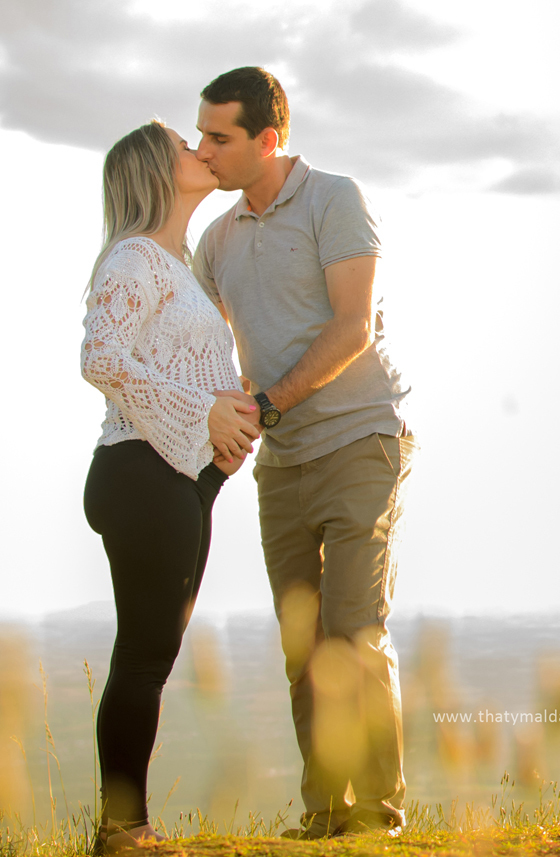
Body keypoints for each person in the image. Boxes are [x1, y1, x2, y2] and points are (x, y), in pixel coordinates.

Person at [192, 67, 415, 839]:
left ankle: (379, 811)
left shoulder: (335, 199)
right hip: (280, 465)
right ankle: (325, 812)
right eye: (200, 134)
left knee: (354, 631)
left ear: (268, 139)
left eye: (218, 138)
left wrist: (268, 401)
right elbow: (204, 349)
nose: (204, 150)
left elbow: (353, 326)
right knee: (305, 644)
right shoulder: (215, 241)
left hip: (360, 442)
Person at [81, 120, 261, 853]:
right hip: (140, 473)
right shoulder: (134, 258)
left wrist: (235, 410)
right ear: (158, 170)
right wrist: (204, 412)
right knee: (144, 655)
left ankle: (127, 825)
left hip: (179, 480)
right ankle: (122, 830)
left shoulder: (176, 265)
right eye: (185, 145)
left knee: (150, 655)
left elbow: (183, 370)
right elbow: (100, 357)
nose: (201, 149)